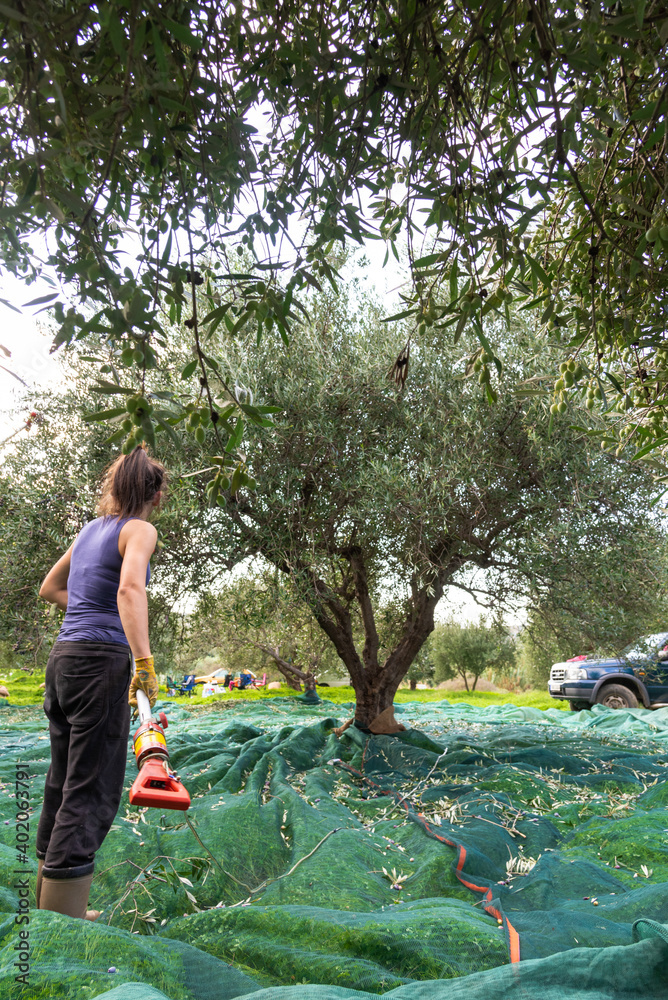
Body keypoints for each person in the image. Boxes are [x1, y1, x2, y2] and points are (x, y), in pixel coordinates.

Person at [35, 446, 165, 920]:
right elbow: (130, 589)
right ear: (156, 494)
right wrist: (144, 662)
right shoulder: (140, 529)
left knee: (63, 777)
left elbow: (49, 588)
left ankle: (50, 902)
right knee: (90, 787)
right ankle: (64, 920)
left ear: (114, 487)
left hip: (63, 660)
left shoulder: (90, 530)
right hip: (99, 664)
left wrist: (88, 612)